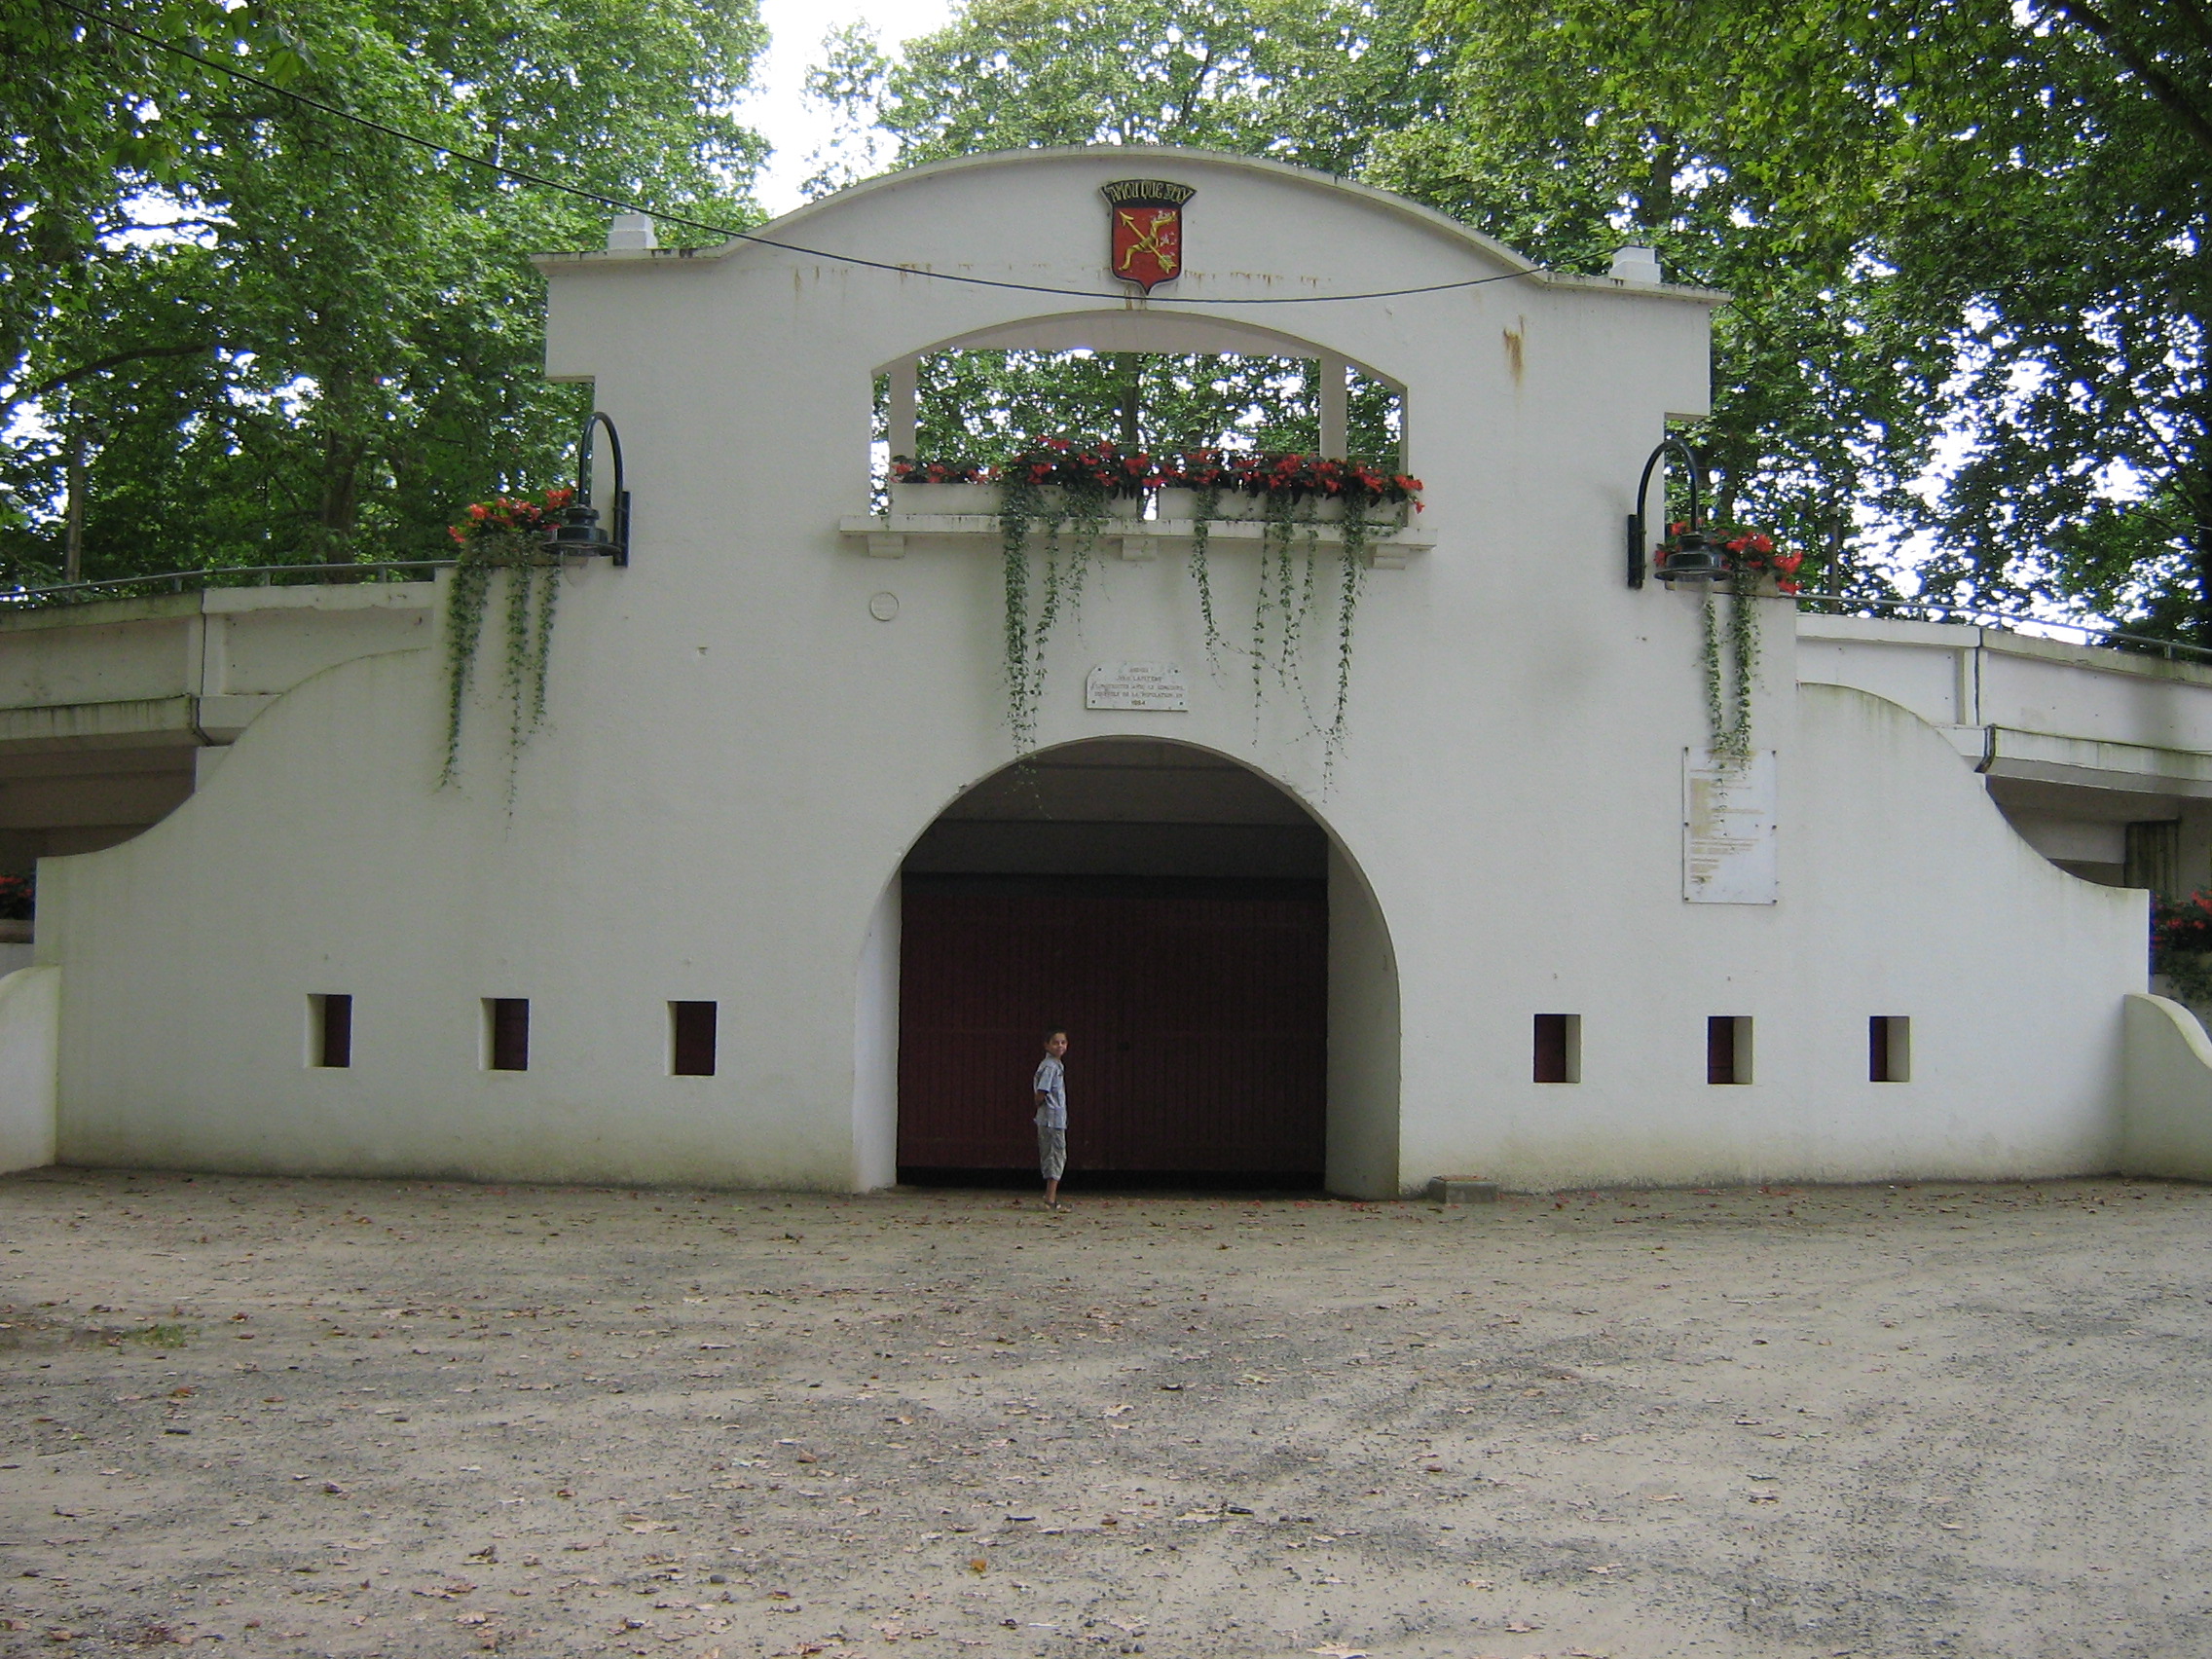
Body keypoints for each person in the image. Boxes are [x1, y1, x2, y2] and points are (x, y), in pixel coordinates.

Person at [1033, 1028, 1069, 1210]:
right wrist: (1040, 1104)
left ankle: (1050, 1196)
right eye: (1056, 1042)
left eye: (1063, 1042)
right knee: (1056, 1154)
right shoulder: (1050, 1067)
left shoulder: (1055, 1065)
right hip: (1052, 1118)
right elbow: (1042, 1091)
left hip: (1053, 1117)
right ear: (1047, 1045)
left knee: (1052, 1154)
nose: (1060, 1046)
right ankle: (1050, 1198)